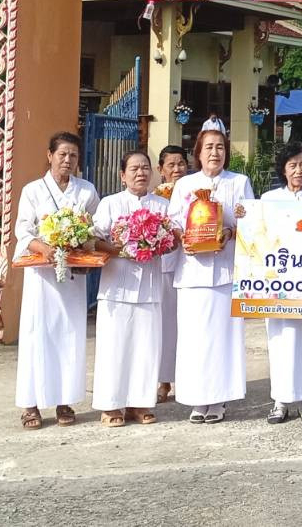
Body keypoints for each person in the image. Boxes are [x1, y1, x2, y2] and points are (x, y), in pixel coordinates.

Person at [166, 127, 254, 423]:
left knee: (222, 338)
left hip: (225, 271)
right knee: (193, 338)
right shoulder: (184, 184)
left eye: (220, 147)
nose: (214, 153)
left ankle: (218, 400)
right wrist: (184, 237)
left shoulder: (239, 182)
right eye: (209, 148)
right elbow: (173, 222)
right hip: (191, 273)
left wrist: (228, 232)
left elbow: (250, 222)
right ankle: (196, 399)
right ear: (198, 153)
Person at [13, 131, 100, 430]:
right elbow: (23, 231)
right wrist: (46, 249)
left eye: (73, 155)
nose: (67, 160)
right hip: (41, 276)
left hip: (72, 278)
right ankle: (30, 405)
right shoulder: (33, 191)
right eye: (62, 154)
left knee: (69, 336)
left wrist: (80, 243)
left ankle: (65, 401)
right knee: (37, 336)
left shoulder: (86, 191)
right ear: (49, 155)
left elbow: (95, 231)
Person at [90, 150, 169, 427]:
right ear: (122, 175)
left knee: (145, 347)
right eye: (134, 168)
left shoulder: (161, 205)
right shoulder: (110, 204)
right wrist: (120, 249)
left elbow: (171, 239)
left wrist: (157, 244)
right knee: (114, 347)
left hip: (149, 288)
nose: (141, 173)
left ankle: (140, 403)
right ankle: (111, 405)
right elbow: (95, 238)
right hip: (116, 287)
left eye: (145, 168)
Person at [261, 141, 302, 424]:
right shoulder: (267, 199)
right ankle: (280, 400)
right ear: (283, 170)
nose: (298, 171)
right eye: (292, 165)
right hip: (277, 281)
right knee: (279, 337)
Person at [155, 144, 188, 404]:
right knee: (165, 326)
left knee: (186, 326)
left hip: (189, 265)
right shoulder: (155, 198)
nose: (177, 170)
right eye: (171, 165)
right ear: (161, 170)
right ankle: (163, 380)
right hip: (163, 266)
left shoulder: (196, 193)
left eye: (181, 164)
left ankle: (185, 379)